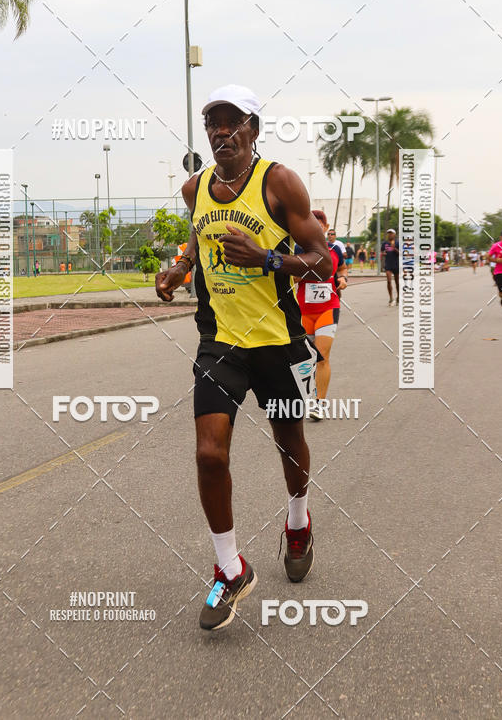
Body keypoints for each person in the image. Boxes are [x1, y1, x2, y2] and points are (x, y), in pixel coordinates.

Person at [155, 84, 333, 632]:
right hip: (220, 344)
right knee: (209, 454)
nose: (218, 133)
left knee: (289, 442)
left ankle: (298, 521)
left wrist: (269, 259)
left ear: (252, 129)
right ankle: (229, 569)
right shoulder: (195, 188)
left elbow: (322, 262)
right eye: (211, 123)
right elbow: (196, 239)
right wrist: (181, 267)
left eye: (230, 123)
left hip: (277, 343)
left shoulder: (278, 182)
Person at [295, 210, 347, 421]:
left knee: (322, 355)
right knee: (303, 359)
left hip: (328, 308)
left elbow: (342, 269)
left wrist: (343, 279)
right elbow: (292, 277)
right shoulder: (298, 249)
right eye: (311, 225)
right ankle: (305, 396)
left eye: (320, 225)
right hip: (303, 311)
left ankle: (319, 403)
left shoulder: (335, 250)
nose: (316, 228)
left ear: (325, 228)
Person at [487, 231, 502, 318]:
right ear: (501, 237)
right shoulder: (496, 246)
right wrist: (497, 260)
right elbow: (487, 257)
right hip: (500, 273)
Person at [381, 228, 400, 304]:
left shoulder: (397, 243)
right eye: (389, 233)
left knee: (397, 282)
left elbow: (400, 253)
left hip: (396, 264)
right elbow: (382, 252)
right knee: (389, 281)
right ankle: (391, 297)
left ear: (394, 234)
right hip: (388, 264)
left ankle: (398, 296)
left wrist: (394, 248)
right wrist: (383, 253)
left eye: (391, 233)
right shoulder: (384, 243)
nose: (390, 235)